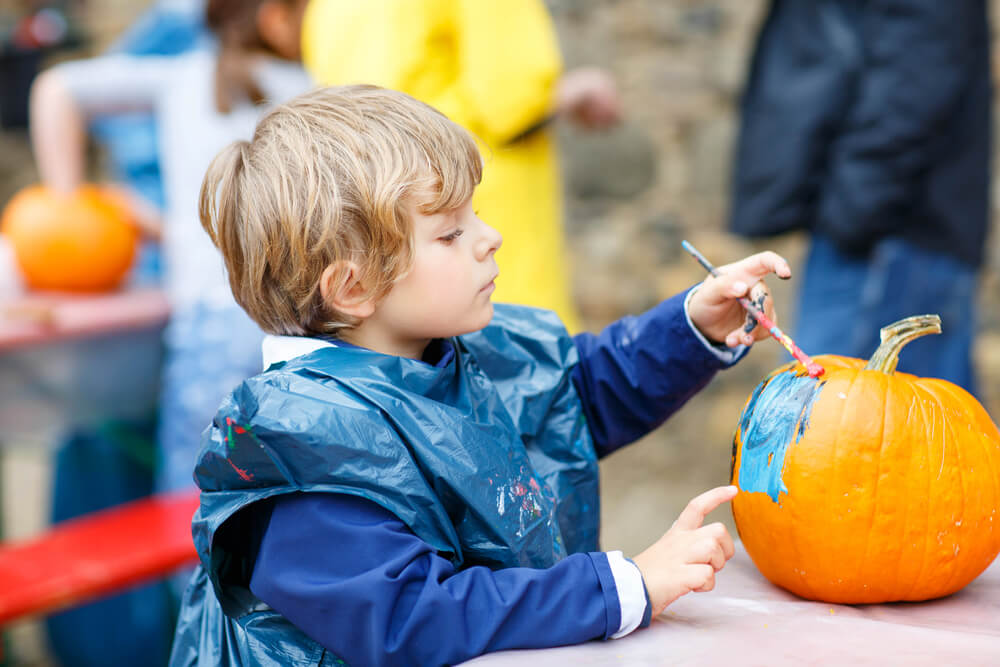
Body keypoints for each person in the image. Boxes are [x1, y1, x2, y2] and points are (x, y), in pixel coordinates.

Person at [168, 84, 793, 666]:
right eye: (450, 232)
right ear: (354, 287)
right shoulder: (300, 455)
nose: (490, 238)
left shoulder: (450, 348)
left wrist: (691, 326)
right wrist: (625, 586)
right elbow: (412, 617)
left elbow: (573, 397)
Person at [28, 0, 314, 502]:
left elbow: (56, 88)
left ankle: (193, 582)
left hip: (212, 325)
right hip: (296, 320)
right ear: (275, 17)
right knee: (285, 491)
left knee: (197, 493)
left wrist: (70, 203)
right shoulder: (313, 88)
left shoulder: (182, 76)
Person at [300, 0, 622, 332]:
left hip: (375, 218)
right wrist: (578, 89)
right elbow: (513, 98)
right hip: (473, 203)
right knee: (526, 352)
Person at [729, 0, 991, 394]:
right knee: (934, 442)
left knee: (817, 425)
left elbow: (917, 73)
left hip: (885, 237)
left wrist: (853, 212)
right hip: (878, 229)